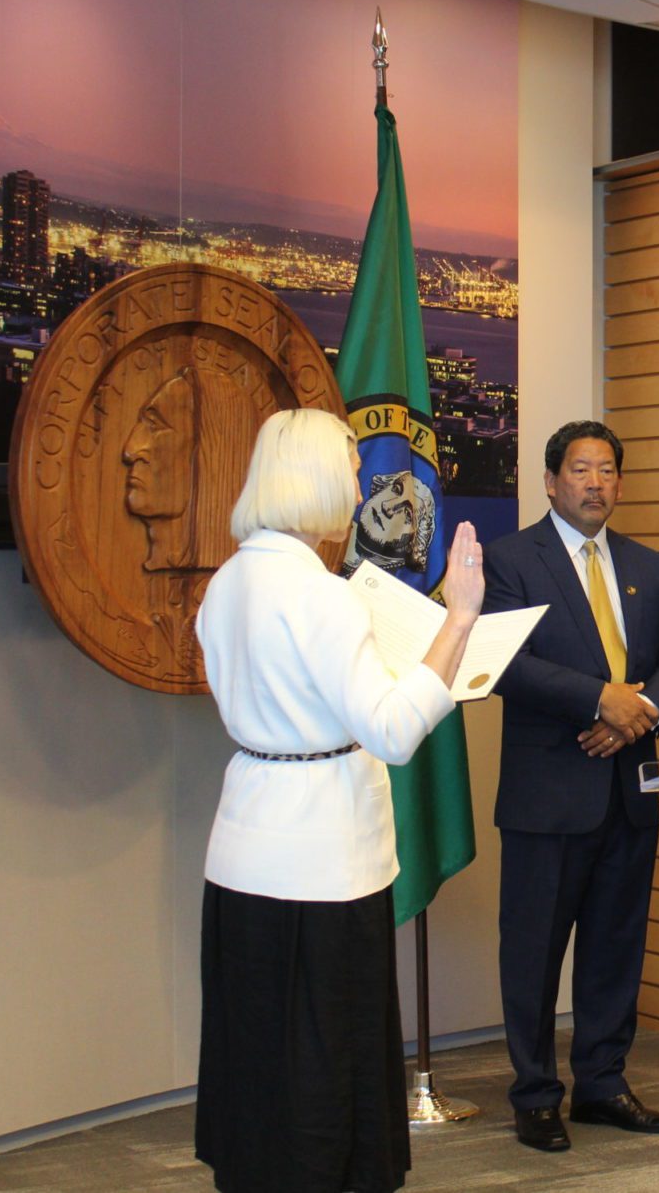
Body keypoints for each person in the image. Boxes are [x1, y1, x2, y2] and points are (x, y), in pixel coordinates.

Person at [193, 408, 485, 1193]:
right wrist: (458, 621)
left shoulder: (228, 580)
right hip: (324, 863)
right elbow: (391, 731)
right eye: (352, 469)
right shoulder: (320, 596)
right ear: (320, 478)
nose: (361, 484)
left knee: (256, 1059)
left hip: (245, 850)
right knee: (328, 1066)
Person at [485, 419, 659, 1154]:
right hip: (548, 798)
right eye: (580, 470)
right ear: (551, 481)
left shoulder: (648, 563)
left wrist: (635, 715)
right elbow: (504, 663)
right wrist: (598, 699)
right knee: (534, 954)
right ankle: (535, 1094)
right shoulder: (511, 559)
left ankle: (603, 1085)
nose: (595, 483)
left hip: (628, 789)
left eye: (607, 470)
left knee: (615, 948)